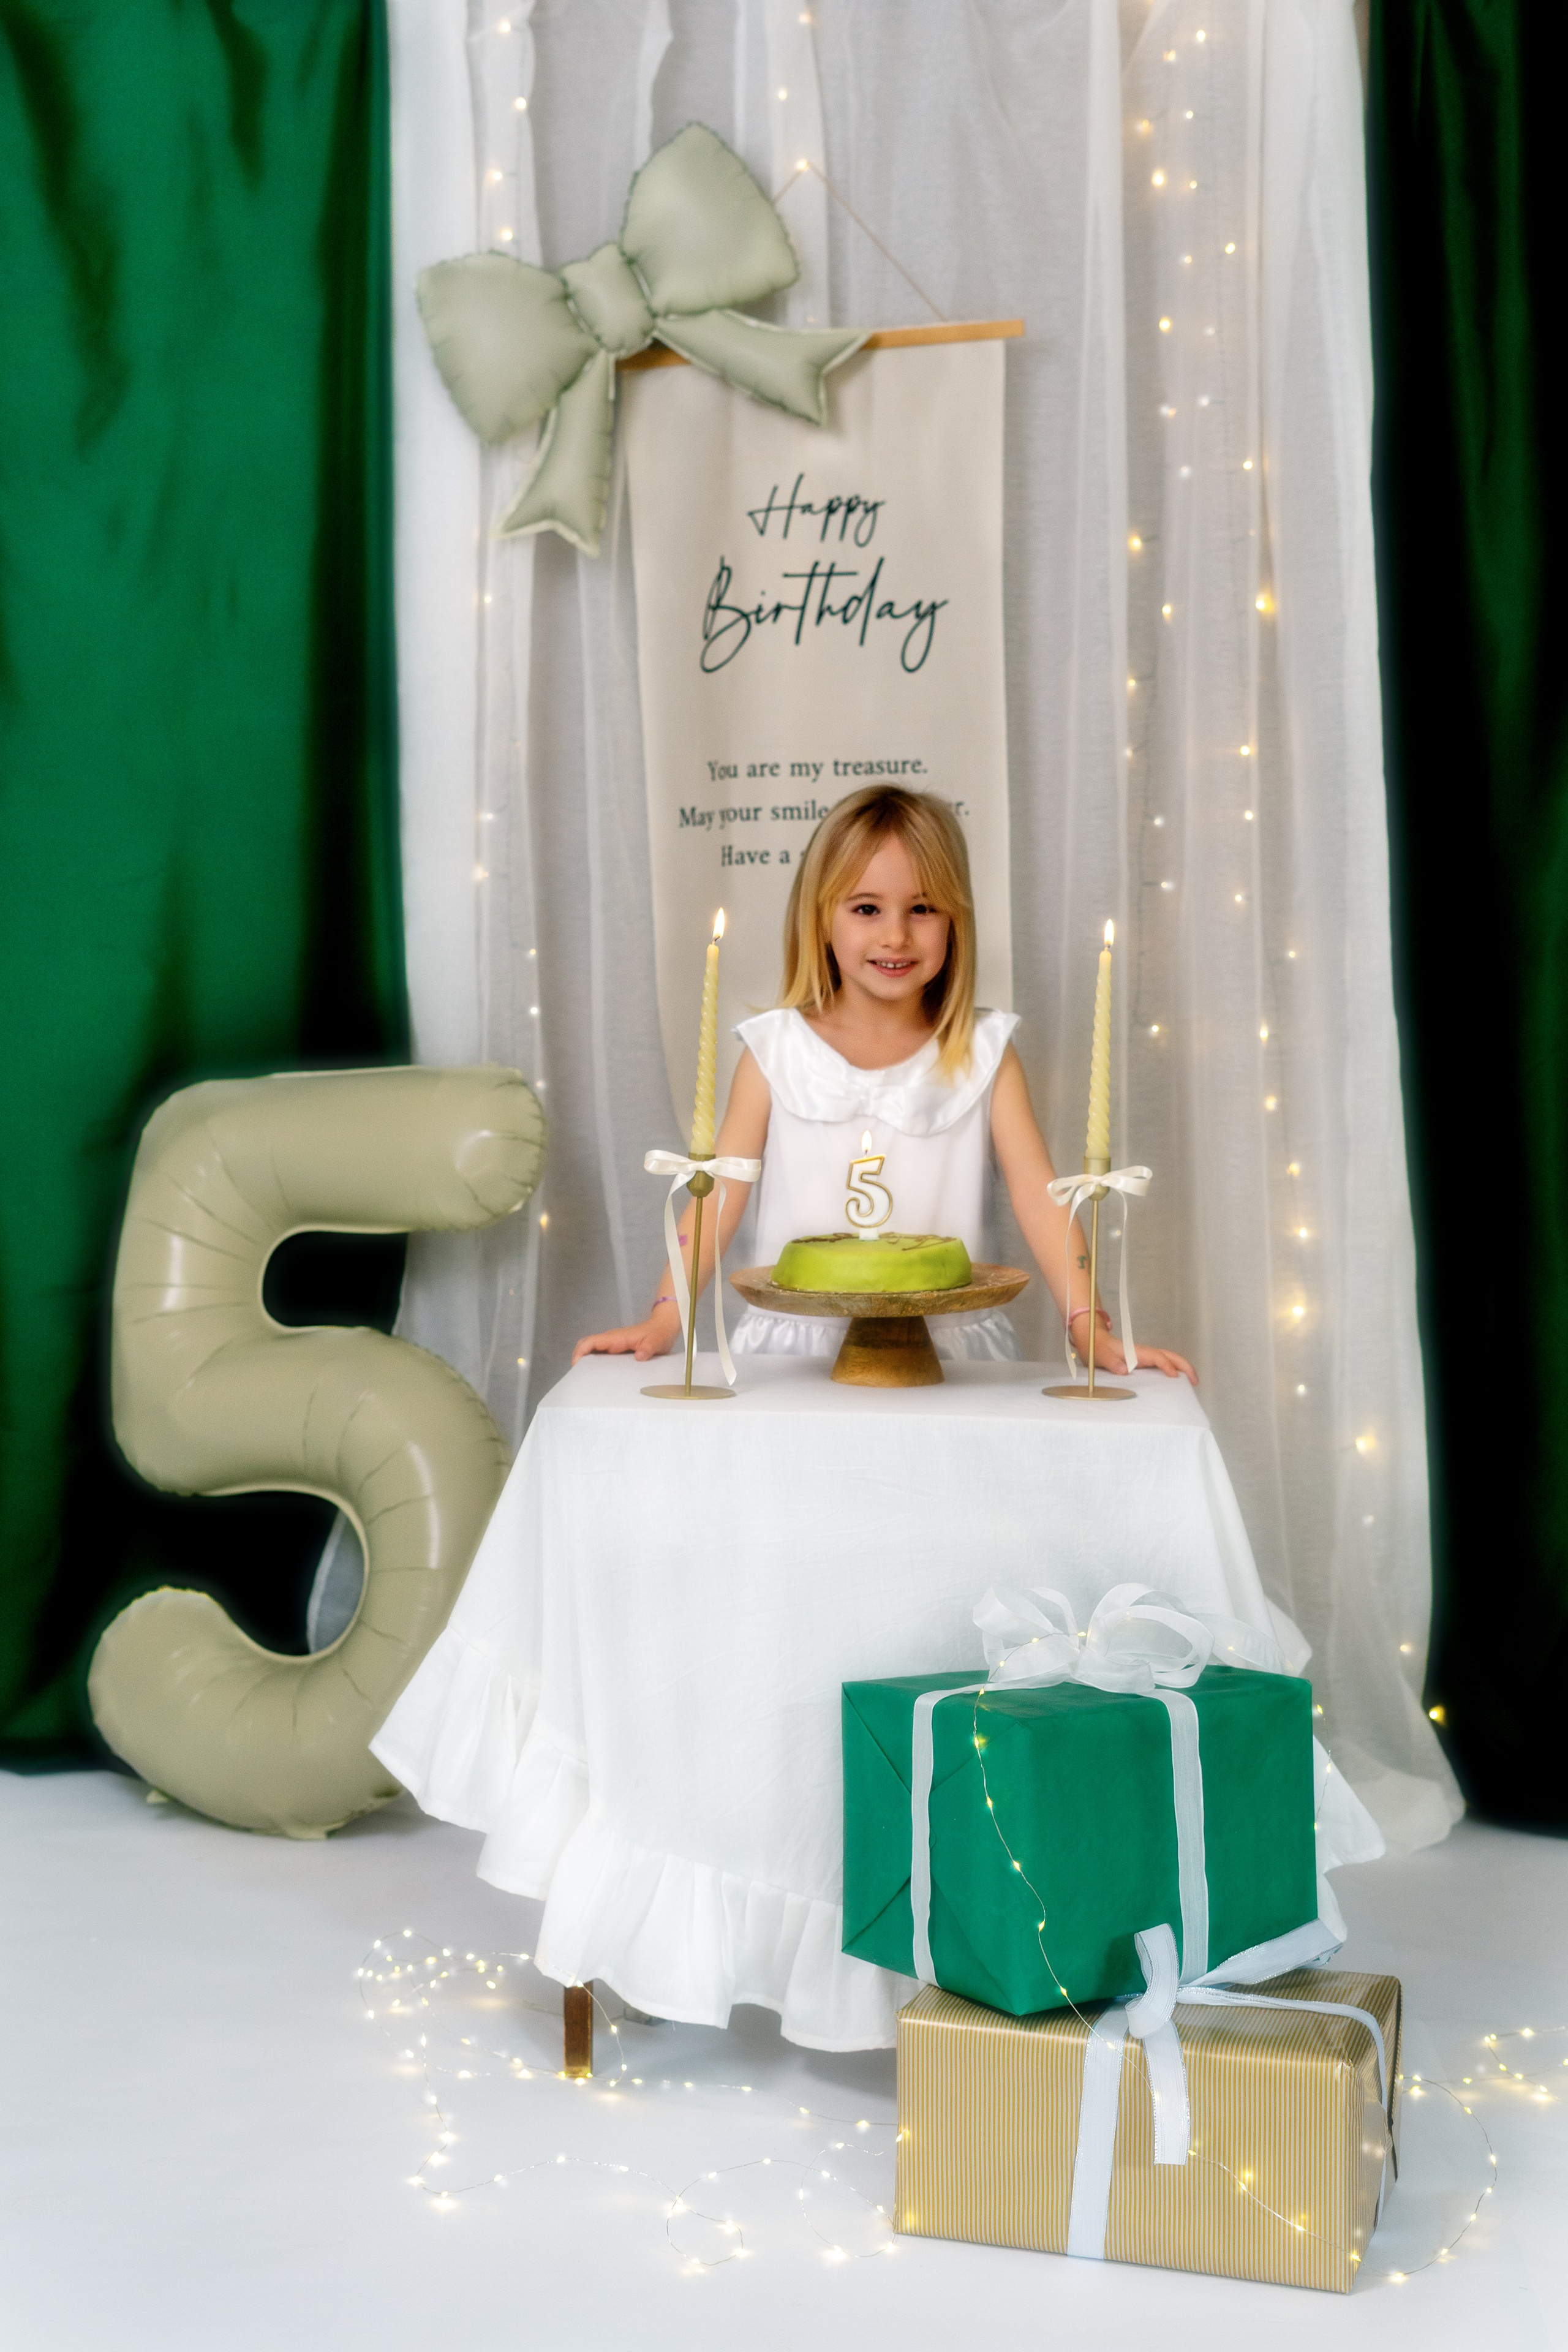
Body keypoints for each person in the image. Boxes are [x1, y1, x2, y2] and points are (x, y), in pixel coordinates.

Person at [573, 785, 1196, 1381]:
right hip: (793, 1357)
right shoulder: (773, 1050)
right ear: (821, 919)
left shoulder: (984, 1053)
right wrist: (664, 1321)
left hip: (948, 1355)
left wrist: (1088, 1326)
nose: (895, 934)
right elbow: (716, 1202)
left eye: (922, 909)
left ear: (955, 922)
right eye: (867, 908)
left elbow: (1042, 1199)